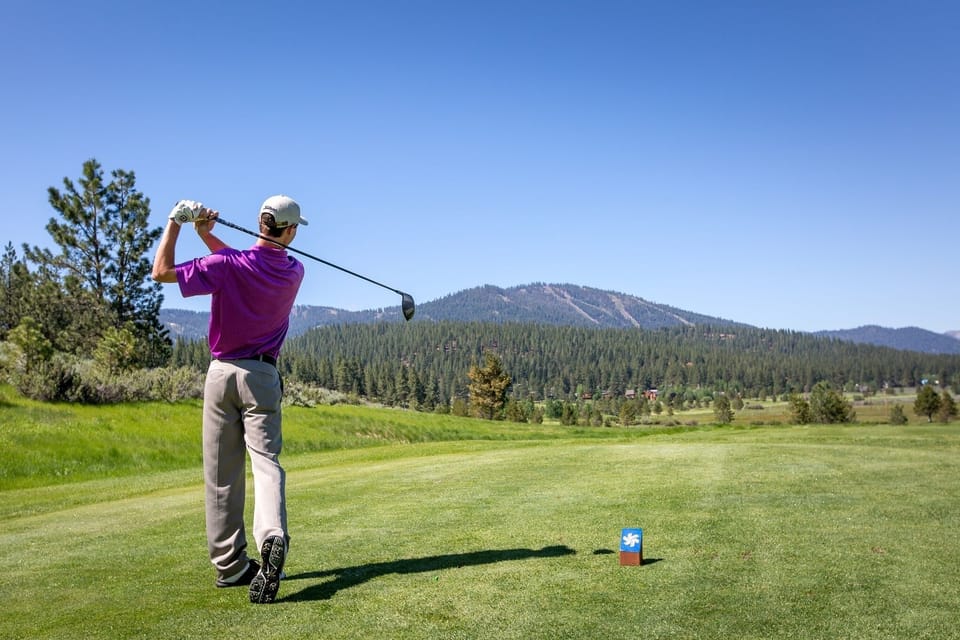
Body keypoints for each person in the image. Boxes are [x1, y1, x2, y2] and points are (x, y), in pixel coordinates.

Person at [152, 195, 307, 604]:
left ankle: (231, 566)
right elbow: (242, 266)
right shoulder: (295, 271)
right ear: (289, 231)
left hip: (221, 375)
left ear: (260, 223)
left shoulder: (228, 266)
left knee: (221, 473)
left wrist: (177, 224)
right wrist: (209, 236)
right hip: (262, 376)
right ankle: (272, 535)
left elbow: (161, 271)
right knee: (266, 463)